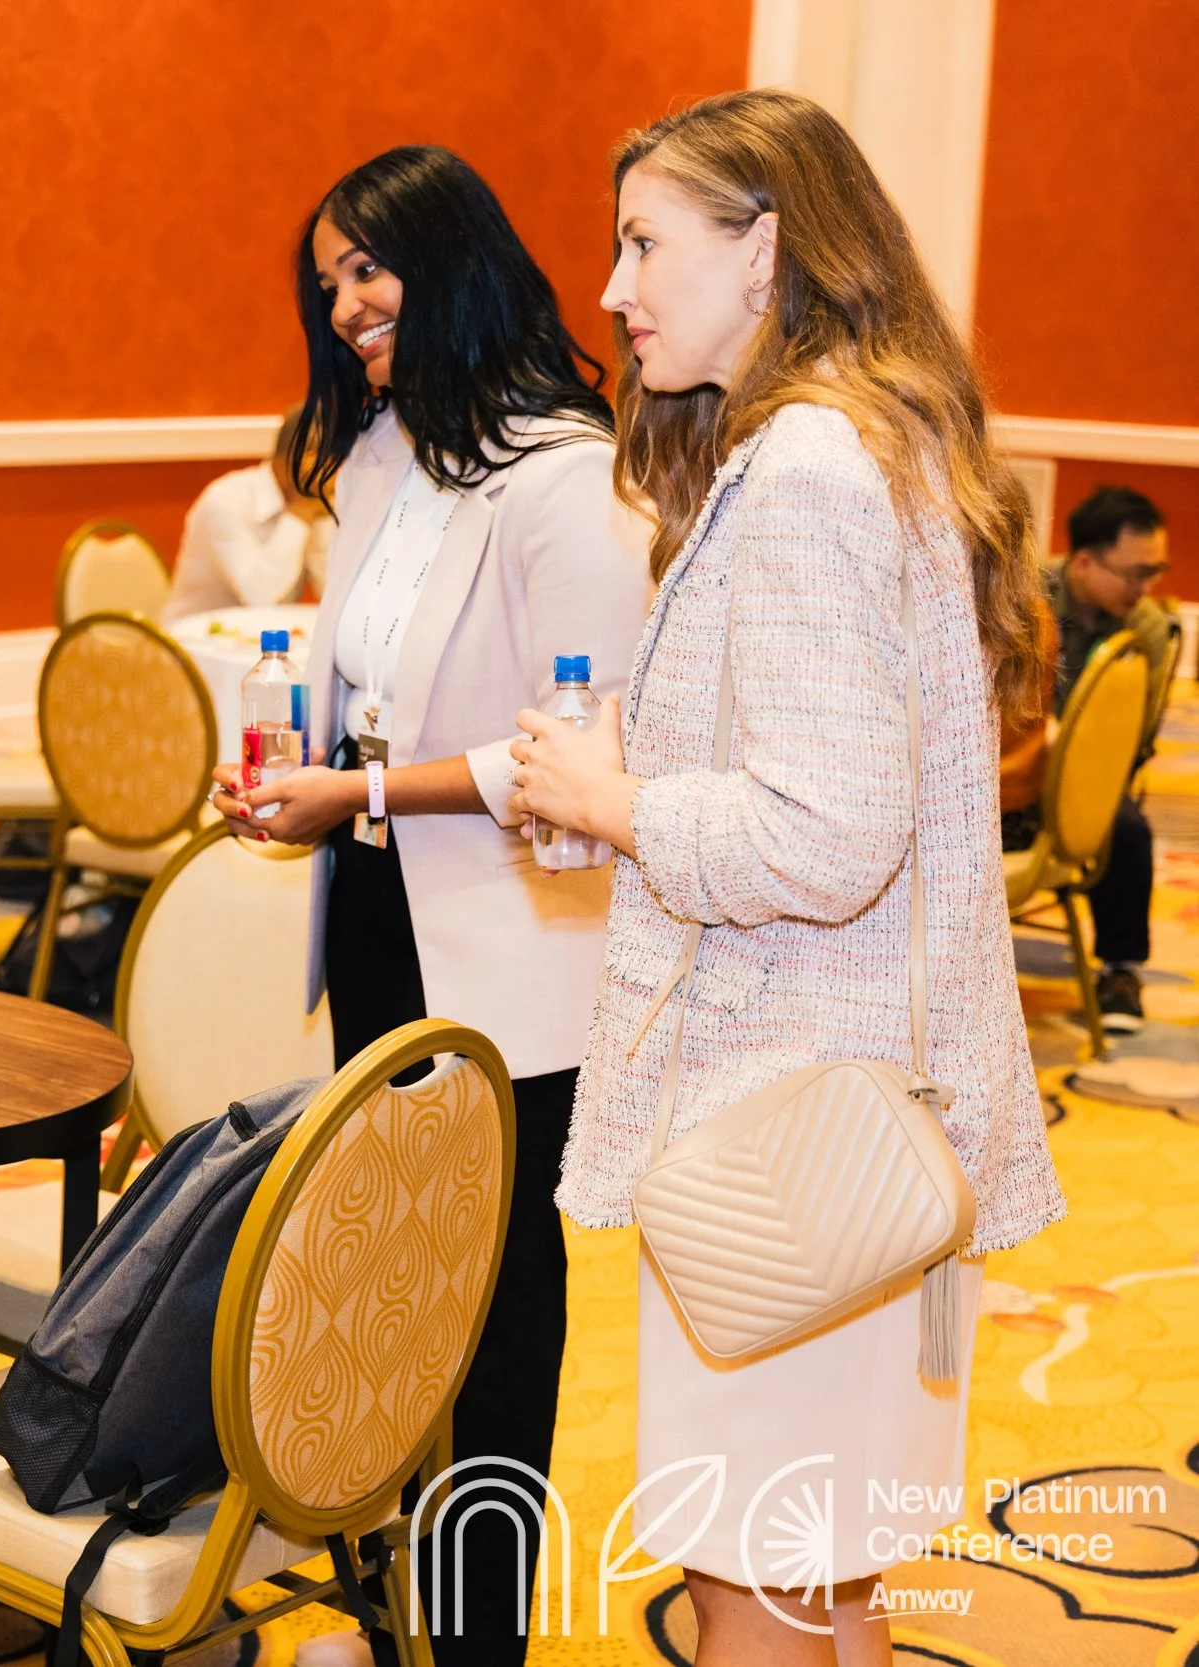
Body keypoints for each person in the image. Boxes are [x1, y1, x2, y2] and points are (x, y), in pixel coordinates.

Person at [511, 90, 1065, 1666]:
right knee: (827, 1583)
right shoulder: (862, 438)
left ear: (764, 250)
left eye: (644, 243)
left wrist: (620, 804)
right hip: (858, 1116)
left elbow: (828, 836)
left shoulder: (809, 463)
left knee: (750, 1585)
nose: (613, 288)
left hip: (786, 1138)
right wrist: (626, 788)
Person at [209, 145, 651, 1667]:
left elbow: (578, 753)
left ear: (451, 263)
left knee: (498, 1299)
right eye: (326, 281)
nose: (344, 306)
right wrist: (304, 775)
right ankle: (393, 1602)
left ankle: (477, 1637)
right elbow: (370, 692)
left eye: (368, 269)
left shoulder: (566, 472)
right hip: (377, 915)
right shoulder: (381, 457)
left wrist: (361, 791)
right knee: (392, 1278)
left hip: (513, 950)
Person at [1002, 485, 1173, 1029]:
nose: (1145, 589)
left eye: (1154, 572)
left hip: (1087, 774)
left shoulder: (1145, 629)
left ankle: (1121, 969)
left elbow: (1133, 738)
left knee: (1125, 827)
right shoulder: (1024, 598)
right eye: (1134, 574)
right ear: (1083, 561)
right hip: (1013, 763)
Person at [160, 407, 334, 620]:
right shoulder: (226, 501)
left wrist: (322, 520)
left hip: (269, 634)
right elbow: (260, 596)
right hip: (194, 635)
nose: (332, 472)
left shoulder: (317, 500)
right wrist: (300, 514)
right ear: (286, 458)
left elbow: (331, 591)